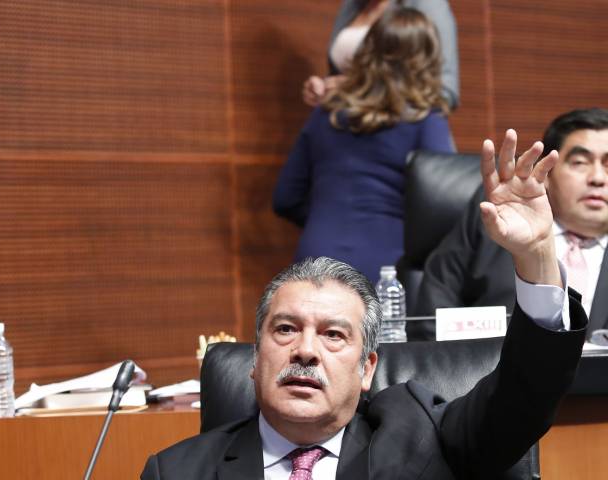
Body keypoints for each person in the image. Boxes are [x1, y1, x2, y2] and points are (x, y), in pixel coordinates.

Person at [141, 129, 587, 479]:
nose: (305, 350)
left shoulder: (422, 439)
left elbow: (523, 397)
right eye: (285, 329)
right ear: (255, 359)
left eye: (334, 334)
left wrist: (537, 256)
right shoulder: (176, 471)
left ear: (367, 368)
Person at [274, 8, 454, 284]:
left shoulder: (326, 113)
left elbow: (285, 198)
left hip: (316, 258)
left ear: (367, 51)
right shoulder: (425, 120)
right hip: (388, 264)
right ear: (427, 61)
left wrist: (327, 219)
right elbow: (443, 208)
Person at [414, 108, 608, 340]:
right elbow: (434, 309)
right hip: (492, 361)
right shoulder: (497, 219)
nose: (598, 178)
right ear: (546, 173)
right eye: (580, 162)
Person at [303, 0, 459, 110]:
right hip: (345, 126)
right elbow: (346, 73)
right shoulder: (352, 4)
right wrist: (323, 88)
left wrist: (359, 89)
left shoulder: (427, 3)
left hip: (397, 133)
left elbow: (445, 93)